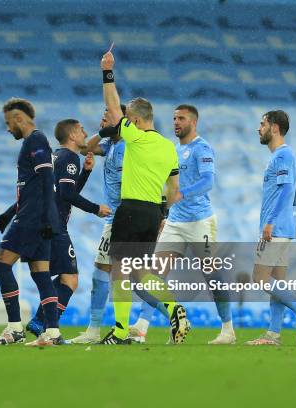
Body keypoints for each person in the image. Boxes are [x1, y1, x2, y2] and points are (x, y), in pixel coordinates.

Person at [98, 45, 189, 345]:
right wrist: (163, 215)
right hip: (154, 214)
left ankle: (121, 331)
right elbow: (174, 190)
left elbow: (113, 111)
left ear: (136, 121)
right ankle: (174, 307)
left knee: (119, 271)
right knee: (140, 273)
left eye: (127, 117)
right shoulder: (168, 147)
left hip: (131, 210)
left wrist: (107, 73)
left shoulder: (135, 137)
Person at [127, 105, 235, 345]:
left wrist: (182, 194)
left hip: (200, 221)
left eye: (181, 118)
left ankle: (227, 329)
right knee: (155, 274)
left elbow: (208, 181)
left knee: (211, 274)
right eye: (174, 118)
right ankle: (142, 326)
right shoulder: (173, 150)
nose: (176, 122)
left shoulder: (202, 148)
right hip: (175, 221)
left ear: (193, 122)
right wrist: (162, 211)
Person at [20, 119, 110, 337]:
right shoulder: (70, 158)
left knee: (55, 275)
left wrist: (86, 173)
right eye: (81, 130)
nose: (85, 133)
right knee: (70, 279)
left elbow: (64, 193)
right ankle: (45, 323)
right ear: (71, 136)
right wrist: (95, 208)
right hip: (55, 228)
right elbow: (67, 194)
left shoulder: (55, 157)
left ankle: (41, 320)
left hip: (40, 225)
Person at [0, 97, 62, 346]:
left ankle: (15, 329)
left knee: (1, 264)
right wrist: (9, 212)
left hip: (32, 218)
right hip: (35, 216)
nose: (8, 128)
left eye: (9, 123)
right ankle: (52, 332)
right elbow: (32, 186)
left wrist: (49, 217)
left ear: (20, 118)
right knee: (41, 274)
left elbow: (47, 180)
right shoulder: (34, 142)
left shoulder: (36, 140)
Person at [246, 110, 296, 345]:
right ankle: (273, 334)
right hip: (283, 227)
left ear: (274, 128)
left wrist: (270, 222)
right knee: (277, 282)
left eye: (262, 124)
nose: (259, 128)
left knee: (260, 278)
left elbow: (287, 189)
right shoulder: (280, 156)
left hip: (276, 228)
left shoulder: (283, 156)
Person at [69, 106, 129, 344]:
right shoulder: (112, 144)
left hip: (124, 218)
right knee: (102, 272)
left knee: (125, 274)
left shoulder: (126, 147)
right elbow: (85, 148)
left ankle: (171, 312)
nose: (103, 119)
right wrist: (104, 131)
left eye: (108, 116)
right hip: (112, 218)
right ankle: (94, 330)